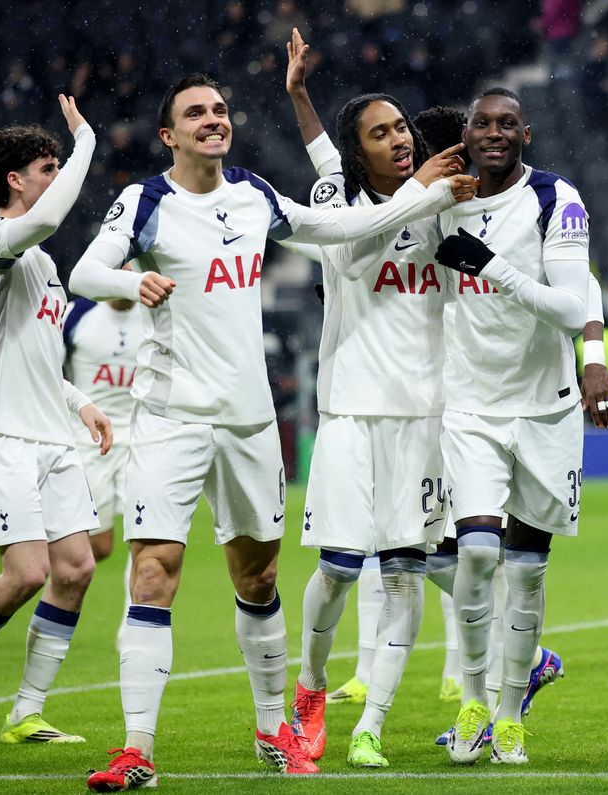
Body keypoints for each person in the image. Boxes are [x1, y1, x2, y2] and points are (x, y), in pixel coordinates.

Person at [71, 72, 475, 790]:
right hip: (169, 416)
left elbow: (341, 228)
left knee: (257, 578)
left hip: (250, 420)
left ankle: (271, 730)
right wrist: (133, 283)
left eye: (220, 110)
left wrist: (424, 193)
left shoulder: (254, 195)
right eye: (196, 113)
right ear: (169, 135)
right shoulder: (145, 202)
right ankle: (137, 750)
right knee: (154, 570)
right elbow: (84, 273)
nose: (213, 119)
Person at [281, 30, 471, 768]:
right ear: (358, 154)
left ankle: (371, 725)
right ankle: (310, 685)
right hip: (352, 412)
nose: (399, 139)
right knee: (336, 567)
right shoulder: (337, 198)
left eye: (402, 128)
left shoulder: (439, 201)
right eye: (381, 133)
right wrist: (421, 187)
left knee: (404, 573)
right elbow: (354, 255)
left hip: (424, 416)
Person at [0, 96, 112, 747]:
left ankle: (26, 711)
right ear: (15, 179)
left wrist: (79, 401)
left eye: (59, 165)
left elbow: (40, 356)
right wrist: (86, 141)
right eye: (46, 168)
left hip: (52, 434)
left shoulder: (44, 263)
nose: (55, 177)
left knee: (77, 568)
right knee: (28, 573)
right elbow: (52, 214)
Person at [433, 86, 592, 766]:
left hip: (546, 409)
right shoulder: (442, 201)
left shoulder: (556, 198)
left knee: (526, 573)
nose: (493, 133)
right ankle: (472, 700)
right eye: (481, 123)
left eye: (507, 124)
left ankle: (508, 714)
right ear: (465, 134)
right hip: (470, 405)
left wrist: (492, 267)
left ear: (525, 133)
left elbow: (572, 308)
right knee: (474, 553)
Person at [63, 284, 143, 567]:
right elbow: (49, 372)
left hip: (141, 441)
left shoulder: (156, 315)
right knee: (98, 546)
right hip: (89, 443)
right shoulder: (76, 314)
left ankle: (136, 603)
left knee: (147, 540)